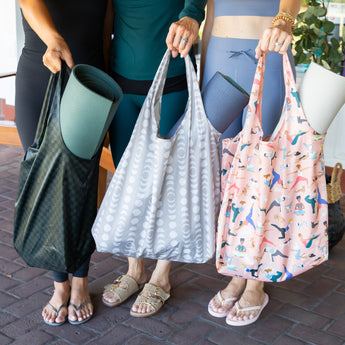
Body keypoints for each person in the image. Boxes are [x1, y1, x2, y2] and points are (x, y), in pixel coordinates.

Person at [101, 0, 207, 318]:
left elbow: (194, 6)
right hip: (121, 81)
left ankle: (162, 275)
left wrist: (191, 16)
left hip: (171, 82)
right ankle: (136, 270)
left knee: (167, 182)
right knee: (127, 180)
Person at [200, 0, 302, 326]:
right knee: (227, 170)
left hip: (268, 50)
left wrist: (285, 19)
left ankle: (254, 280)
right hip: (218, 51)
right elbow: (211, 10)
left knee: (263, 170)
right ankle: (236, 269)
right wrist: (202, 67)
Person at [15, 0, 112, 326]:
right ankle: (60, 285)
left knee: (83, 188)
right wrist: (53, 39)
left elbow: (106, 28)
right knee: (45, 185)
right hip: (41, 75)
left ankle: (81, 282)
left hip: (91, 83)